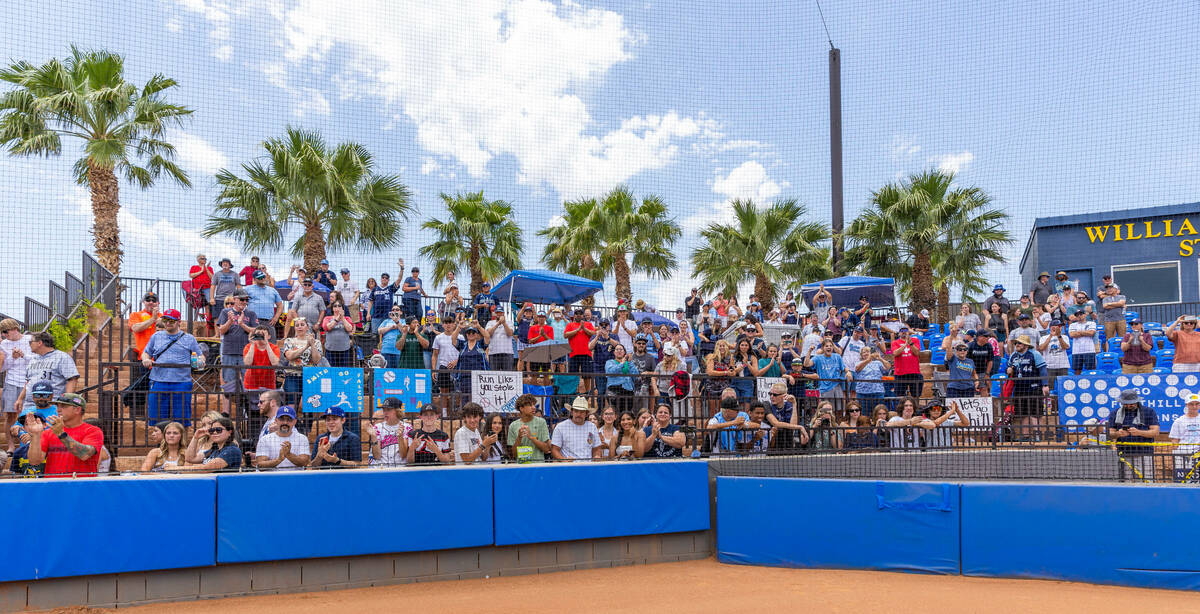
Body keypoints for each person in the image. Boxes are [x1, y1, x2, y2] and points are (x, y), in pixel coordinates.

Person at [141, 308, 204, 426]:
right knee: (157, 417)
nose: (168, 323)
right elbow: (146, 352)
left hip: (181, 382)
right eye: (165, 320)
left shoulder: (189, 338)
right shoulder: (156, 336)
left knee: (182, 418)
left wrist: (200, 361)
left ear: (179, 322)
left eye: (171, 320)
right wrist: (146, 359)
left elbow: (201, 356)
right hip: (158, 380)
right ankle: (161, 444)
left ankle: (183, 444)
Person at [22, 390, 101, 477]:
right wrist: (36, 435)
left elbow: (84, 454)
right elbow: (34, 461)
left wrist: (61, 434)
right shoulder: (49, 432)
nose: (58, 409)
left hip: (81, 486)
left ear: (77, 410)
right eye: (57, 406)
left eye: (63, 406)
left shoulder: (93, 431)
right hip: (54, 486)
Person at [216, 291, 259, 413]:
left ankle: (250, 411)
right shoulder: (225, 312)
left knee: (248, 382)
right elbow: (221, 331)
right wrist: (230, 321)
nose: (244, 302)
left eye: (246, 300)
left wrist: (241, 324)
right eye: (242, 299)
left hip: (246, 353)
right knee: (228, 384)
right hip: (229, 351)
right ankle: (226, 413)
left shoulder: (251, 314)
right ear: (235, 299)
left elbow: (255, 331)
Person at [1106, 389, 1160, 481]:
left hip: (1144, 453)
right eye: (1125, 403)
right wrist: (1118, 434)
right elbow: (1110, 434)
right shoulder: (1115, 413)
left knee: (1146, 482)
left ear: (1137, 401)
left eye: (1131, 403)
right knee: (1125, 483)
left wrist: (1139, 432)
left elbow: (1155, 432)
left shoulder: (1149, 411)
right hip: (1123, 453)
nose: (1128, 405)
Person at [18, 332, 79, 409]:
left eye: (30, 342)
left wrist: (66, 401)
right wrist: (20, 399)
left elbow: (72, 379)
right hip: (29, 406)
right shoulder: (33, 359)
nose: (29, 344)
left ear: (39, 343)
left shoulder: (62, 357)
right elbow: (28, 382)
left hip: (51, 405)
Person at [1007, 334, 1048, 441]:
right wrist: (1008, 371)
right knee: (1023, 414)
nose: (1017, 345)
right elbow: (1009, 368)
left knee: (1035, 414)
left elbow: (1043, 370)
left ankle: (1037, 436)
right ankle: (1025, 436)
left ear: (1026, 345)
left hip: (1034, 387)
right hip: (1019, 389)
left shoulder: (1035, 354)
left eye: (1019, 343)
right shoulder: (1013, 356)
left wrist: (1045, 385)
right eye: (1016, 343)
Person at [0, 318, 34, 451]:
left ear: (15, 329)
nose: (4, 335)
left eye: (6, 332)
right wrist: (12, 358)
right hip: (11, 381)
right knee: (9, 415)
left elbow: (38, 360)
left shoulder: (30, 339)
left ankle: (25, 445)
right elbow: (2, 368)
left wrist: (23, 355)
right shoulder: (4, 344)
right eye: (2, 333)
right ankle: (10, 447)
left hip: (28, 381)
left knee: (28, 415)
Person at [280, 317, 323, 406]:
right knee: (291, 405)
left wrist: (312, 345)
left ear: (307, 327)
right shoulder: (289, 341)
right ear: (294, 328)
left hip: (311, 376)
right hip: (293, 376)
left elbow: (316, 360)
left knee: (310, 406)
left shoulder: (317, 342)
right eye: (297, 325)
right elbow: (289, 356)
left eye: (302, 325)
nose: (300, 327)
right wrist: (306, 347)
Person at [253, 405, 311, 470]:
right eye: (282, 419)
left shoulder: (302, 439)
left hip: (295, 477)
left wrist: (289, 455)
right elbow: (260, 465)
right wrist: (278, 460)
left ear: (295, 422)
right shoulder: (265, 439)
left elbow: (305, 462)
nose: (285, 422)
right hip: (272, 478)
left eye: (289, 420)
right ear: (276, 420)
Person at [550, 396, 603, 461]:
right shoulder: (561, 427)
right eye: (576, 411)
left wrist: (597, 456)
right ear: (571, 412)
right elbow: (554, 450)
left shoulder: (592, 427)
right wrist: (564, 460)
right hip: (569, 467)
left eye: (582, 412)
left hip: (588, 466)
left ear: (586, 414)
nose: (578, 414)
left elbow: (597, 448)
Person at [242, 325, 280, 406]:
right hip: (251, 383)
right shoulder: (248, 346)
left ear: (269, 336)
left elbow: (275, 363)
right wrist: (252, 344)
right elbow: (247, 363)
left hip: (268, 383)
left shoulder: (274, 347)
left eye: (263, 334)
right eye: (258, 334)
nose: (260, 336)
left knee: (268, 407)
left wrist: (267, 344)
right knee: (251, 408)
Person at [507, 393, 551, 462]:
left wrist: (531, 437)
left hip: (538, 466)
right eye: (530, 405)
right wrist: (519, 437)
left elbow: (547, 449)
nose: (534, 407)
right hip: (521, 467)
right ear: (521, 408)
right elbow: (514, 455)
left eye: (534, 405)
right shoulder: (513, 425)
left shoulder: (541, 422)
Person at [564, 308, 595, 395]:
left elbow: (593, 334)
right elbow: (565, 335)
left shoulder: (588, 324)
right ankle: (573, 392)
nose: (578, 315)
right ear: (574, 315)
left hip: (586, 353)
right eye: (577, 313)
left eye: (580, 313)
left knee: (587, 375)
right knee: (573, 375)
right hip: (573, 353)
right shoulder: (570, 325)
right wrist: (577, 330)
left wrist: (583, 328)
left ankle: (588, 392)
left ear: (583, 315)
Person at [1169, 393, 1200, 481]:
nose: (1194, 406)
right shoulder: (1179, 421)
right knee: (1182, 480)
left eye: (1197, 404)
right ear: (1186, 405)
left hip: (1198, 454)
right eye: (1191, 404)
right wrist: (1177, 457)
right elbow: (1174, 441)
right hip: (1183, 455)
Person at [806, 339, 848, 404]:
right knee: (827, 410)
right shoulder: (818, 358)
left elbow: (844, 368)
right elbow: (806, 364)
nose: (829, 347)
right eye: (827, 346)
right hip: (824, 388)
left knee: (840, 410)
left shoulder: (837, 357)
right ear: (822, 348)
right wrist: (809, 351)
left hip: (836, 385)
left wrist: (848, 372)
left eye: (831, 346)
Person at [244, 271, 282, 341]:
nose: (262, 279)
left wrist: (276, 318)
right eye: (260, 278)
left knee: (271, 345)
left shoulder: (273, 290)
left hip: (268, 322)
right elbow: (238, 301)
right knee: (252, 345)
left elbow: (280, 305)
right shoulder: (247, 289)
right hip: (253, 322)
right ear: (255, 279)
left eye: (263, 277)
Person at [889, 326, 923, 399]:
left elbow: (916, 352)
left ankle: (916, 410)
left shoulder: (915, 340)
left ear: (909, 332)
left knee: (916, 396)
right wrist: (905, 344)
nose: (904, 332)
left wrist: (910, 343)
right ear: (899, 333)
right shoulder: (895, 342)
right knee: (900, 397)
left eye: (906, 330)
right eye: (902, 331)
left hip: (914, 372)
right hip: (900, 373)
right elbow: (895, 353)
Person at [321, 302, 356, 367]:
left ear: (343, 308)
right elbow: (327, 327)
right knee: (331, 370)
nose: (337, 307)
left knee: (343, 370)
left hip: (344, 349)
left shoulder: (347, 318)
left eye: (339, 306)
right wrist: (337, 318)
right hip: (330, 349)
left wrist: (342, 318)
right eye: (335, 306)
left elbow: (349, 329)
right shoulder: (327, 318)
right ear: (332, 308)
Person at [605, 344, 637, 414]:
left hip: (628, 391)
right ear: (614, 352)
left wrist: (629, 362)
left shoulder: (629, 363)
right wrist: (622, 363)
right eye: (617, 349)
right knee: (616, 413)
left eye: (621, 349)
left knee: (627, 413)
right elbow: (610, 371)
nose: (619, 351)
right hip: (614, 391)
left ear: (624, 352)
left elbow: (636, 375)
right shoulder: (610, 362)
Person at [128, 292, 162, 356]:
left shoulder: (163, 317)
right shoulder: (135, 315)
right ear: (144, 302)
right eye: (148, 300)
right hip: (143, 355)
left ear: (158, 303)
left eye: (154, 300)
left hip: (160, 356)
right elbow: (135, 328)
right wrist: (153, 319)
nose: (151, 302)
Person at [484, 306, 515, 371]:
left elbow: (510, 334)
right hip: (493, 353)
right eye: (497, 313)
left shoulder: (510, 323)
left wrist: (504, 323)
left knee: (507, 374)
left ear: (503, 313)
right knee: (494, 374)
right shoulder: (490, 322)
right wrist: (498, 323)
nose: (499, 314)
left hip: (507, 352)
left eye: (500, 312)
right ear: (495, 313)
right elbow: (489, 333)